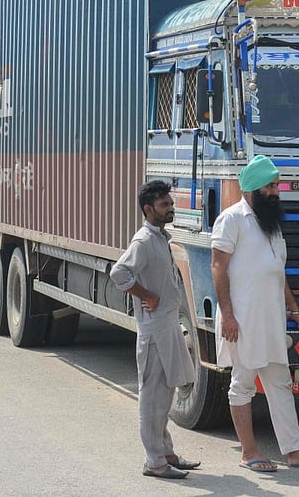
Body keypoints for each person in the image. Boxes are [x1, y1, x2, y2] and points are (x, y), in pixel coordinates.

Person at [211, 155, 299, 473]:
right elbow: (218, 267)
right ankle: (249, 452)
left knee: (280, 382)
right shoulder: (232, 219)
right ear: (253, 188)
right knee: (242, 383)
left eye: (276, 185)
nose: (275, 191)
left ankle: (295, 450)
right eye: (270, 186)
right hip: (241, 319)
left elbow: (277, 270)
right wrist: (227, 315)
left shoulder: (270, 225)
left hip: (270, 320)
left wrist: (292, 306)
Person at [110, 180, 199, 480]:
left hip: (169, 325)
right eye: (165, 205)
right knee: (152, 397)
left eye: (171, 204)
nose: (171, 208)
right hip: (153, 331)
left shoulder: (161, 237)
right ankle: (154, 462)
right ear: (149, 210)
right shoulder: (144, 241)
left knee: (167, 391)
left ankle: (166, 453)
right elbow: (118, 272)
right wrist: (145, 295)